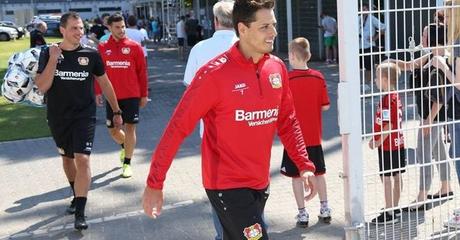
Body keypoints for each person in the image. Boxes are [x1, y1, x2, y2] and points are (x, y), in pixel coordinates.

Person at [142, 1, 318, 239]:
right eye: (264, 26)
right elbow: (177, 128)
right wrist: (155, 182)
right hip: (226, 184)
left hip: (259, 181)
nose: (273, 32)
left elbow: (287, 121)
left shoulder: (276, 68)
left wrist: (304, 165)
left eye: (273, 25)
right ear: (242, 29)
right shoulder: (213, 74)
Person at [34, 11, 122, 230]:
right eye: (74, 28)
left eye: (81, 28)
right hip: (58, 116)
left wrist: (117, 110)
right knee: (67, 159)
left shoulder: (91, 55)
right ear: (62, 30)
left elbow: (105, 83)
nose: (79, 32)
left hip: (84, 116)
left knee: (82, 159)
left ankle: (80, 213)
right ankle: (76, 194)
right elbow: (42, 86)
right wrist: (54, 59)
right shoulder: (48, 53)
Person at [182, 1, 237, 238]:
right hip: (249, 130)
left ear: (215, 21)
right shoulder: (249, 46)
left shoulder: (200, 49)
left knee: (218, 189)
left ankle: (222, 235)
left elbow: (190, 88)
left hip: (213, 134)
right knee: (253, 188)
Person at [389, 23, 452, 211]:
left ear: (432, 38)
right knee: (438, 150)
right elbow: (410, 65)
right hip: (430, 115)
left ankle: (422, 196)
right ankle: (446, 187)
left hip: (433, 115)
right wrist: (389, 62)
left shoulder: (440, 60)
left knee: (423, 153)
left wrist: (428, 120)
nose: (421, 39)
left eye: (424, 35)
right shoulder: (431, 56)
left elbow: (440, 98)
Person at [280, 37, 331, 228]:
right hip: (314, 136)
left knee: (296, 177)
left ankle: (302, 213)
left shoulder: (287, 79)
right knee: (319, 173)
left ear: (293, 56)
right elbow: (325, 106)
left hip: (294, 138)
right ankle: (325, 208)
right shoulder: (318, 77)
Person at [95, 14, 148, 178]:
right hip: (112, 97)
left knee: (130, 127)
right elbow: (98, 73)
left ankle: (127, 163)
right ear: (109, 28)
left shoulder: (135, 47)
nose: (121, 30)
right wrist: (98, 92)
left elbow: (142, 73)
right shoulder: (103, 48)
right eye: (117, 27)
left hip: (132, 95)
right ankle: (126, 146)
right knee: (113, 130)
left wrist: (144, 94)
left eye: (123, 26)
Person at [431, 0, 460, 228]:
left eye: (448, 17)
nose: (446, 22)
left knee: (458, 156)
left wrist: (442, 65)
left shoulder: (458, 42)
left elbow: (459, 83)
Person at [368, 62, 405, 224]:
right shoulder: (395, 95)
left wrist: (377, 141)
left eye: (376, 78)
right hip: (399, 143)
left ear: (384, 80)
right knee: (396, 176)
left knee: (387, 177)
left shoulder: (386, 100)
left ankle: (389, 212)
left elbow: (388, 125)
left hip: (388, 145)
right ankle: (394, 207)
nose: (375, 81)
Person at [359, 3, 386, 88]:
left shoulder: (372, 18)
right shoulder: (358, 18)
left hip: (369, 45)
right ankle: (362, 83)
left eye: (364, 9)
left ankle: (368, 83)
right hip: (358, 45)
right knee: (360, 66)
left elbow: (383, 27)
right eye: (361, 9)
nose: (363, 11)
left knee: (369, 66)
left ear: (368, 10)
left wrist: (375, 38)